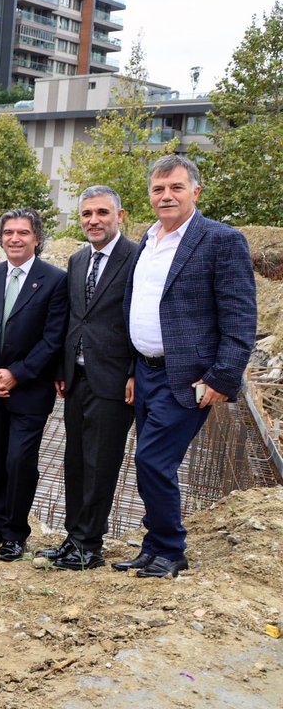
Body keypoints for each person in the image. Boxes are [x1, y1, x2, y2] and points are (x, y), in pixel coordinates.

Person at [118, 154, 256, 578]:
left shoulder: (220, 240)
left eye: (176, 187)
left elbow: (240, 316)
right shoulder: (148, 239)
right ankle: (154, 544)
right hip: (145, 370)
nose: (166, 196)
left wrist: (222, 376)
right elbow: (137, 305)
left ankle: (172, 550)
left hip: (187, 375)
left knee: (153, 461)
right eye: (158, 189)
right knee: (150, 461)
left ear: (195, 191)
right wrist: (131, 369)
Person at [37, 187, 137, 570]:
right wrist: (63, 369)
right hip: (77, 377)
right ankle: (73, 536)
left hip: (113, 379)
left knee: (101, 461)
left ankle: (89, 545)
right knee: (75, 459)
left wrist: (133, 372)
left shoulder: (135, 258)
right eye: (86, 214)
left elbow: (141, 320)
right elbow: (74, 320)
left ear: (119, 215)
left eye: (102, 213)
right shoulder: (78, 260)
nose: (93, 220)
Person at [0, 208, 67, 561]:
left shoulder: (54, 279)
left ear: (36, 238)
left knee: (20, 460)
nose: (15, 238)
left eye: (23, 232)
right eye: (8, 232)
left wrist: (15, 374)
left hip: (29, 391)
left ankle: (16, 533)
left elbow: (53, 339)